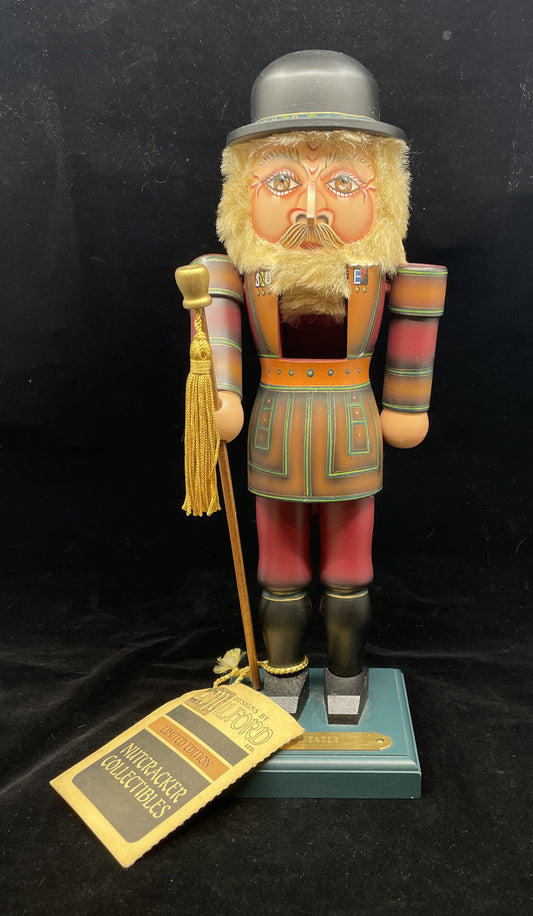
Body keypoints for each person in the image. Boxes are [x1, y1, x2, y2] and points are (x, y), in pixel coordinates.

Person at [191, 51, 446, 721]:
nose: (311, 209)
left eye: (341, 182)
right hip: (274, 432)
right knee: (278, 569)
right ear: (242, 194)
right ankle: (282, 676)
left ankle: (345, 676)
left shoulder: (390, 276)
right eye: (281, 182)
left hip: (351, 432)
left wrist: (406, 404)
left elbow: (415, 331)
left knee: (348, 567)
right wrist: (221, 395)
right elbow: (215, 340)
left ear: (383, 194)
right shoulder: (228, 276)